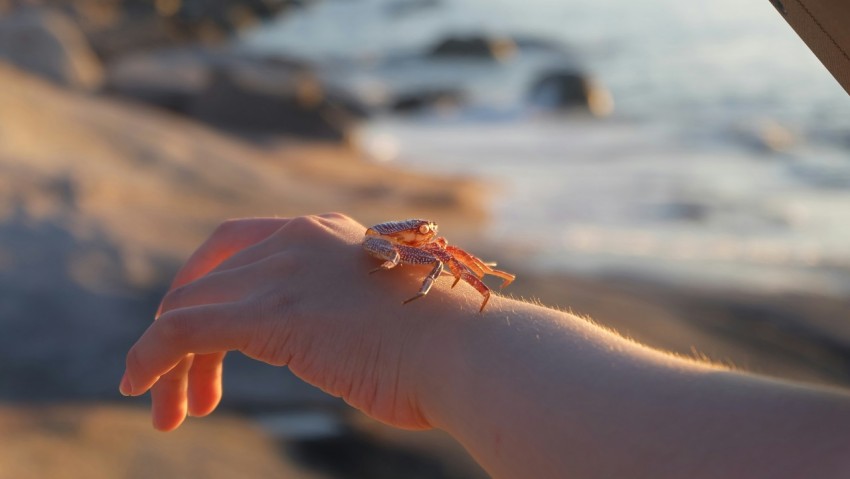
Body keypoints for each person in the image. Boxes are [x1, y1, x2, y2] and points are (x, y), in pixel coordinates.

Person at [120, 213, 850, 478]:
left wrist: (424, 343)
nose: (433, 242)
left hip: (408, 274)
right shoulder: (396, 242)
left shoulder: (437, 250)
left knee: (469, 266)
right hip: (381, 248)